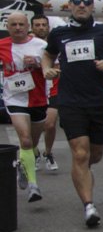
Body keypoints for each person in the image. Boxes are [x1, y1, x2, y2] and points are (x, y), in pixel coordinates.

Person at [42, 0, 103, 226]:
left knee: (94, 156)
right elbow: (48, 55)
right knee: (80, 154)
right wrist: (46, 69)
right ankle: (89, 206)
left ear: (93, 6)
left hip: (98, 102)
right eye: (77, 1)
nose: (81, 5)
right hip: (70, 102)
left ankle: (82, 174)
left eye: (86, 2)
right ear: (69, 5)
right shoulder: (59, 33)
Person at [1, 12, 48, 202]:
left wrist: (37, 64)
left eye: (21, 24)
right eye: (13, 24)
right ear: (7, 27)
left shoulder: (40, 45)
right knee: (26, 141)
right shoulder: (2, 45)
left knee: (33, 143)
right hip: (14, 99)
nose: (18, 27)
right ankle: (33, 187)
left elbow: (54, 68)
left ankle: (22, 163)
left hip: (38, 99)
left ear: (28, 26)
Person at [30, 15, 60, 172]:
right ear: (32, 27)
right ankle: (35, 153)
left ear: (48, 27)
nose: (41, 27)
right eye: (37, 25)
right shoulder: (28, 44)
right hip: (34, 89)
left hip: (54, 88)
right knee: (33, 127)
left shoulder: (55, 42)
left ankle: (48, 153)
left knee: (49, 124)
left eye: (43, 25)